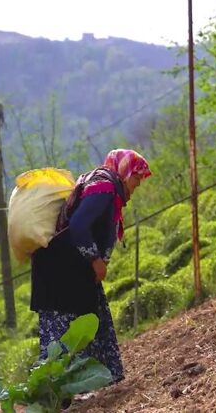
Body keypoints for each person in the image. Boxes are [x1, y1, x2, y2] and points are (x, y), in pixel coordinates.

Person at [30, 149, 152, 384]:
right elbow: (78, 226)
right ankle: (57, 392)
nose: (137, 185)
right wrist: (96, 259)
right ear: (125, 172)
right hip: (60, 271)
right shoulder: (104, 189)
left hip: (69, 270)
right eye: (137, 178)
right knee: (64, 331)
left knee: (88, 320)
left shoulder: (104, 188)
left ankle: (94, 380)